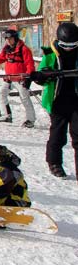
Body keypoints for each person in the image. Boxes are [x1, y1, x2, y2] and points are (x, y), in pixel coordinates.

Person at [30, 21, 78, 180]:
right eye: (66, 45)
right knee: (58, 134)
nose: (69, 49)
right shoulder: (50, 54)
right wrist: (42, 75)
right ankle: (54, 162)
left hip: (76, 101)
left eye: (73, 45)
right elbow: (41, 75)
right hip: (57, 101)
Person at [0, 29, 36, 127]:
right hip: (9, 78)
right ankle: (6, 115)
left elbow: (30, 65)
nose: (8, 41)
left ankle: (30, 120)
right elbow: (1, 59)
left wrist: (28, 77)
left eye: (10, 39)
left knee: (24, 99)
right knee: (1, 94)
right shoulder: (6, 49)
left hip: (20, 79)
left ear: (15, 38)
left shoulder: (24, 49)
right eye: (6, 39)